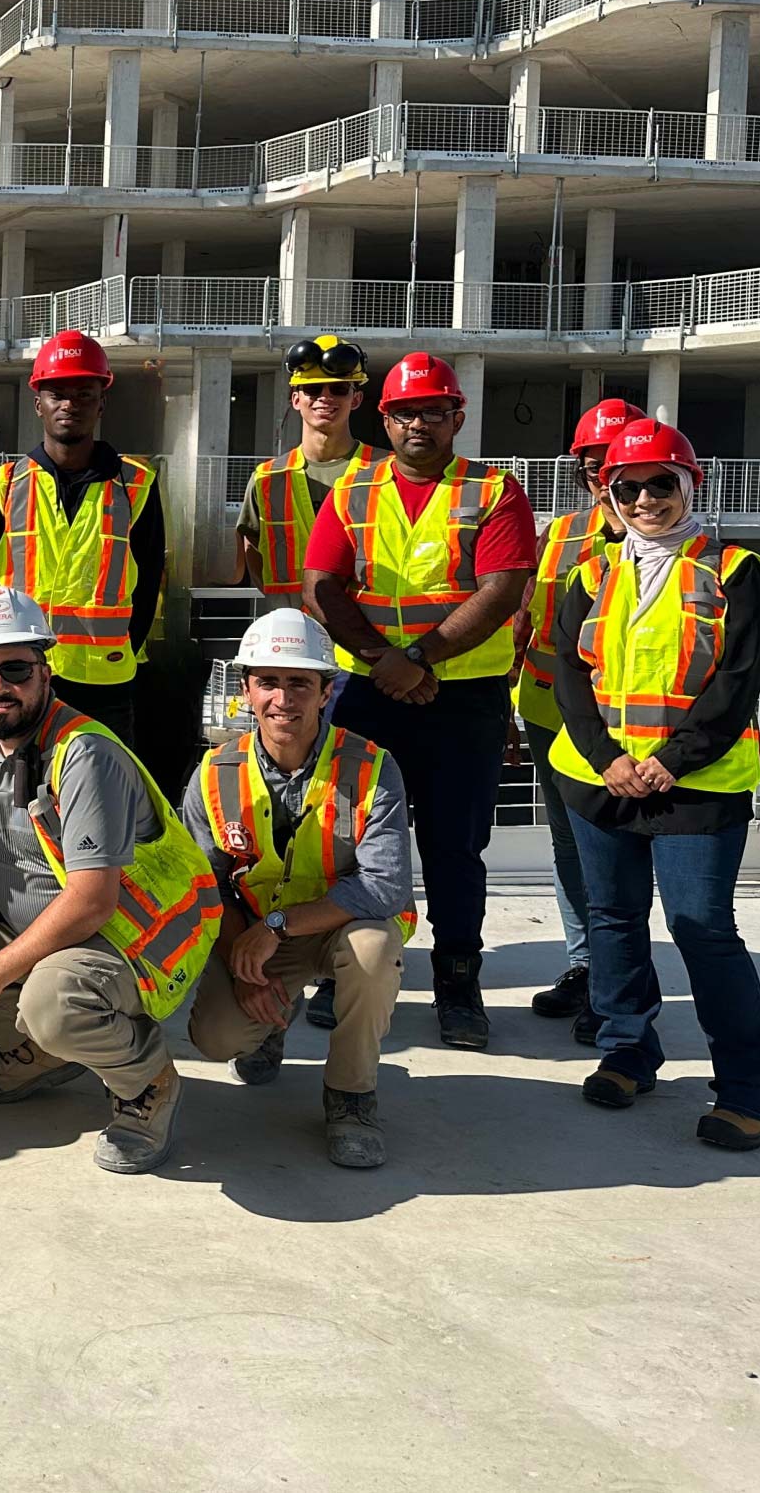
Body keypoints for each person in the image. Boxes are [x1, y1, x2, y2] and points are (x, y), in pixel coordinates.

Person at [0, 587, 221, 1175]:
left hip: (129, 942)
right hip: (31, 926)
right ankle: (36, 1056)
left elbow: (91, 900)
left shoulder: (83, 755)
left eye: (16, 669)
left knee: (53, 1003)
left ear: (45, 672)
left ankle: (147, 1083)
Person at [548, 421, 760, 1152]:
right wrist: (606, 756)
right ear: (609, 495)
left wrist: (672, 760)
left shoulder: (736, 569)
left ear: (690, 485)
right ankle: (628, 1049)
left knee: (701, 927)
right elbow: (568, 674)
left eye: (661, 483)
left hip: (698, 782)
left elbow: (737, 680)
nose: (645, 498)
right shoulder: (591, 572)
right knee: (612, 917)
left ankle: (747, 1086)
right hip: (602, 778)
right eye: (628, 487)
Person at [303, 351, 534, 1051]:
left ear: (457, 416)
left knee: (453, 845)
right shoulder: (354, 489)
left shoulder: (495, 491)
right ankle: (340, 970)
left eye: (435, 410)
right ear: (385, 417)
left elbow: (501, 590)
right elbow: (321, 586)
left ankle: (457, 981)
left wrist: (418, 658)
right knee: (346, 839)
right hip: (372, 690)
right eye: (407, 411)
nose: (420, 423)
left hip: (462, 696)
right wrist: (385, 661)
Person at [182, 610, 415, 1170]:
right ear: (246, 690)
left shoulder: (373, 768)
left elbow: (384, 889)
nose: (282, 699)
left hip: (340, 930)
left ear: (326, 691)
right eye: (268, 682)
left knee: (375, 951)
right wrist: (245, 964)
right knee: (216, 1036)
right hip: (259, 935)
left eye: (299, 683)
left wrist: (275, 928)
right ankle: (269, 1029)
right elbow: (206, 886)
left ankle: (351, 1096)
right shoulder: (213, 774)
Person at [516, 397, 642, 1043]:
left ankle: (614, 983)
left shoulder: (663, 539)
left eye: (613, 461)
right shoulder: (559, 533)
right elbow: (526, 624)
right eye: (593, 465)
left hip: (624, 730)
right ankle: (585, 965)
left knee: (613, 857)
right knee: (569, 845)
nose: (603, 476)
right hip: (547, 715)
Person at [0, 330, 163, 751]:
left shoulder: (136, 486)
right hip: (21, 678)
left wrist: (120, 648)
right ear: (38, 402)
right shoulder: (3, 486)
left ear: (102, 402)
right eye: (57, 393)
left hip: (105, 682)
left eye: (84, 393)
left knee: (106, 800)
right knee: (19, 798)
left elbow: (148, 581)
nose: (70, 404)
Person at [238, 335, 375, 598]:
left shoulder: (385, 472)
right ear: (296, 399)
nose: (325, 397)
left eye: (338, 389)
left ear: (355, 399)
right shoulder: (268, 478)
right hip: (291, 631)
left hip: (362, 631)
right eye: (313, 389)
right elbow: (252, 551)